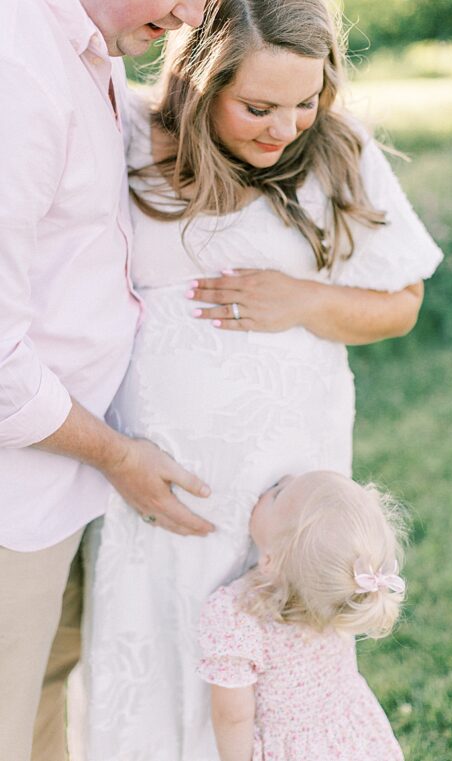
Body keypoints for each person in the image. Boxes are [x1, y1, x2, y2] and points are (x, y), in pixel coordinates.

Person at [80, 0, 443, 758]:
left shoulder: (340, 152)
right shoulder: (129, 134)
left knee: (278, 676)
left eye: (306, 102)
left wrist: (305, 299)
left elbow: (403, 304)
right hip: (158, 483)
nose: (285, 128)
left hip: (289, 491)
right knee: (158, 658)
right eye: (258, 106)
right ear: (203, 83)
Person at [0, 1, 210, 759]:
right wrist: (119, 457)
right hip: (13, 497)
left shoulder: (97, 44)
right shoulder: (17, 70)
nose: (189, 15)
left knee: (44, 701)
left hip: (60, 483)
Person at [198, 471, 406, 760]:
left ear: (270, 561)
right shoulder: (337, 593)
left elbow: (232, 714)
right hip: (351, 739)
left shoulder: (236, 613)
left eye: (278, 494)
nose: (284, 476)